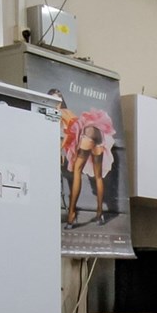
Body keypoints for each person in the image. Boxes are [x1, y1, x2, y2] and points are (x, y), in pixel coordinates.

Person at [55, 91, 115, 229]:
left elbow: (67, 134)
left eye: (57, 101)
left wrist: (58, 149)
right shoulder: (68, 111)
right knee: (98, 176)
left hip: (87, 132)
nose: (56, 105)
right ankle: (99, 213)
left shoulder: (59, 113)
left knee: (77, 171)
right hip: (98, 131)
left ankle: (71, 215)